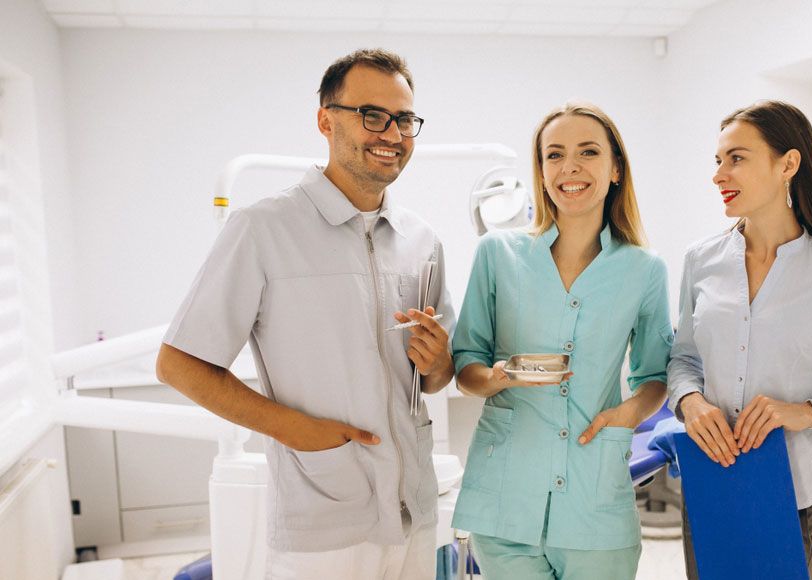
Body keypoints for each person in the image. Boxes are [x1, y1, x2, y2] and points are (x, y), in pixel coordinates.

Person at [155, 48, 455, 580]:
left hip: (415, 511)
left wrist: (437, 362)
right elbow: (180, 364)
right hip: (324, 516)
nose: (392, 133)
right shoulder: (263, 229)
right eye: (372, 115)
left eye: (405, 119)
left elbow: (433, 379)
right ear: (326, 121)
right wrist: (296, 430)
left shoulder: (421, 240)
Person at [667, 100, 812, 578]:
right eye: (718, 161)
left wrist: (805, 412)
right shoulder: (701, 260)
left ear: (787, 164)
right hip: (709, 487)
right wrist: (690, 401)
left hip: (789, 497)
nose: (719, 175)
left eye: (736, 158)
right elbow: (683, 359)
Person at [450, 101, 674, 580]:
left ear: (615, 169)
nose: (569, 167)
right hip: (506, 496)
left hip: (596, 503)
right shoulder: (497, 254)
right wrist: (494, 377)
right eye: (554, 155)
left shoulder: (644, 269)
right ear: (541, 171)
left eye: (588, 152)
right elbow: (466, 360)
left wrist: (627, 415)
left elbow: (655, 375)